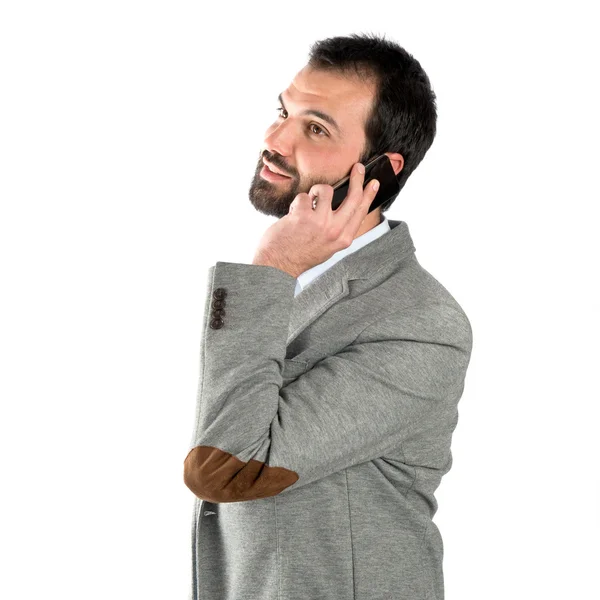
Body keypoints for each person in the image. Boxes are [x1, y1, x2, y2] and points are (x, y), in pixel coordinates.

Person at [184, 32, 473, 600]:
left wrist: (271, 266)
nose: (274, 140)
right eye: (282, 112)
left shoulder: (422, 325)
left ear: (381, 171)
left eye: (315, 129)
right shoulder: (292, 286)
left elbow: (225, 468)